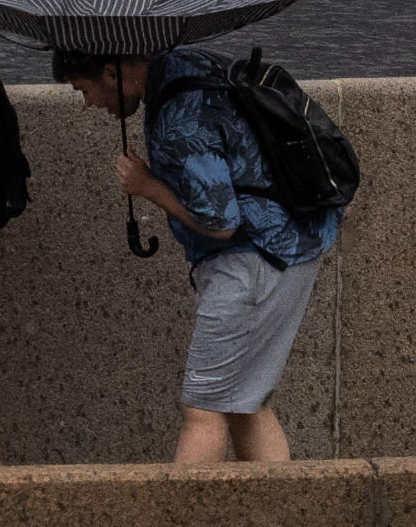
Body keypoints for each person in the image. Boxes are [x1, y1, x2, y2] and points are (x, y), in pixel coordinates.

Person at [55, 45, 339, 464]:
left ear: (112, 74)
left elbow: (222, 221)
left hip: (254, 258)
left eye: (85, 90)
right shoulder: (185, 64)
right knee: (246, 404)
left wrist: (147, 186)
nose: (89, 103)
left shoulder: (177, 119)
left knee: (202, 411)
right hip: (295, 241)